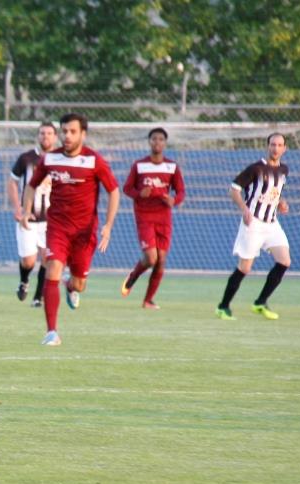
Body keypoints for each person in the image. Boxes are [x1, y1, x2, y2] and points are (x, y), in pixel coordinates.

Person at [21, 113, 120, 347]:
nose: (67, 136)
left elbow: (114, 191)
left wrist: (108, 225)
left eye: (72, 131)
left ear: (83, 134)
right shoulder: (50, 159)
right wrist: (26, 210)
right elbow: (31, 186)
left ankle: (71, 287)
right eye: (64, 131)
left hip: (85, 233)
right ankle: (51, 332)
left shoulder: (94, 160)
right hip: (57, 228)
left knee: (78, 284)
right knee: (52, 268)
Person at [215, 133, 291, 321]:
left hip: (272, 224)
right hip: (254, 222)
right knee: (245, 268)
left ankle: (260, 302)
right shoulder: (256, 168)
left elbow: (275, 193)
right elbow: (234, 189)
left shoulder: (284, 170)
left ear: (284, 148)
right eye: (273, 144)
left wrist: (281, 203)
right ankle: (223, 306)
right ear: (268, 146)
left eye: (279, 145)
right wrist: (244, 209)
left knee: (285, 262)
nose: (275, 148)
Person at [120, 128, 186, 309]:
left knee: (161, 261)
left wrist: (174, 200)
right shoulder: (139, 165)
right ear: (149, 142)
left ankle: (148, 300)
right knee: (151, 258)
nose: (157, 142)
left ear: (165, 143)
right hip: (144, 216)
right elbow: (127, 188)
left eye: (161, 139)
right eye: (154, 139)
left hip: (164, 217)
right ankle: (133, 276)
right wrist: (140, 193)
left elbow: (180, 191)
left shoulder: (172, 166)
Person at [7, 121, 57, 307]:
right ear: (38, 136)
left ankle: (38, 298)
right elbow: (12, 182)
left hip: (51, 221)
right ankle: (24, 281)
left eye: (49, 133)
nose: (46, 136)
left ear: (55, 137)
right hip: (28, 217)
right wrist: (18, 209)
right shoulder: (26, 158)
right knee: (29, 261)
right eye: (42, 133)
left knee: (47, 258)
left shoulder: (60, 159)